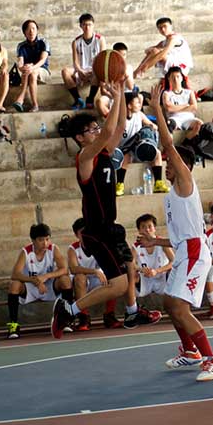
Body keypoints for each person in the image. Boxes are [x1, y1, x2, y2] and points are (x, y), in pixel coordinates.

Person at [51, 81, 161, 339]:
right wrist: (117, 98)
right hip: (97, 230)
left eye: (96, 128)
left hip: (110, 227)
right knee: (119, 284)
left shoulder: (105, 153)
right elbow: (109, 128)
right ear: (80, 138)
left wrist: (120, 97)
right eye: (91, 130)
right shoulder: (85, 158)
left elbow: (118, 127)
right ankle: (69, 308)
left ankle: (133, 311)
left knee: (129, 263)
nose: (97, 131)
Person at [138, 84, 213, 382]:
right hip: (185, 250)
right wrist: (155, 241)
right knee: (169, 304)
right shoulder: (171, 195)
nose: (164, 161)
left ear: (181, 165)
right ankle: (190, 352)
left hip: (194, 253)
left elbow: (167, 142)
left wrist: (157, 109)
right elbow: (178, 237)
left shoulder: (185, 181)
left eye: (169, 158)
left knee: (178, 305)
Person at [6, 223, 72, 339]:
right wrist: (36, 281)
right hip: (30, 287)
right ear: (33, 240)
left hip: (49, 286)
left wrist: (46, 276)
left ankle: (66, 320)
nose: (45, 243)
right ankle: (13, 325)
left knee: (65, 280)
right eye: (41, 240)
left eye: (47, 239)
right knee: (14, 285)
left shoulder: (53, 249)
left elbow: (64, 269)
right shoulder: (26, 252)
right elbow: (15, 274)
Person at [68, 217, 121, 331]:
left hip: (99, 279)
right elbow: (73, 268)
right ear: (77, 235)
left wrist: (101, 272)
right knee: (79, 278)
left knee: (115, 277)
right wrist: (94, 271)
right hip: (84, 281)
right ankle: (84, 317)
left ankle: (109, 315)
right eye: (82, 232)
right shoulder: (73, 248)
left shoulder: (99, 244)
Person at [115, 91, 169, 196]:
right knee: (125, 156)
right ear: (129, 105)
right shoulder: (119, 118)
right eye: (137, 102)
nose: (140, 105)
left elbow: (151, 124)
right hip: (124, 148)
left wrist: (152, 126)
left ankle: (158, 182)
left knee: (157, 153)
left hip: (137, 147)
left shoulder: (139, 114)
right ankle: (120, 184)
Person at [127, 214, 175, 320]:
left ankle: (176, 308)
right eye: (143, 227)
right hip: (145, 278)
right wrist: (141, 269)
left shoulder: (162, 242)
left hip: (162, 276)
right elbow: (132, 265)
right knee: (129, 276)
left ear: (154, 228)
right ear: (139, 230)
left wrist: (157, 271)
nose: (147, 229)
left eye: (150, 226)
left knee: (175, 272)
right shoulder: (136, 246)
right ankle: (132, 311)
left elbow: (173, 261)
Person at [61, 13, 105, 110]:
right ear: (80, 26)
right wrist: (80, 71)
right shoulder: (76, 42)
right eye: (84, 24)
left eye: (89, 24)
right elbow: (75, 62)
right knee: (65, 71)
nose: (87, 27)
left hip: (94, 70)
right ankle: (78, 99)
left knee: (98, 73)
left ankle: (90, 99)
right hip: (81, 69)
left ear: (93, 25)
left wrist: (93, 70)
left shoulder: (100, 40)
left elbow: (102, 60)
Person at [13, 20, 50, 113]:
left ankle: (22, 98)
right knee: (30, 72)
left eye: (33, 29)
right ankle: (34, 105)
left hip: (43, 72)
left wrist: (32, 67)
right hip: (28, 73)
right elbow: (20, 64)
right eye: (28, 29)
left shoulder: (44, 42)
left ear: (37, 30)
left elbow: (42, 60)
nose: (31, 31)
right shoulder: (21, 46)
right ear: (24, 32)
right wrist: (24, 67)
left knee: (32, 72)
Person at [95, 42, 137, 118]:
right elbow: (103, 91)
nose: (122, 58)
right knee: (100, 102)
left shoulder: (128, 67)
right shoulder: (107, 69)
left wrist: (125, 73)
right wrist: (114, 96)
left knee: (139, 98)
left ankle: (127, 119)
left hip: (126, 95)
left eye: (124, 55)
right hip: (111, 95)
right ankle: (112, 119)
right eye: (120, 55)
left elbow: (131, 87)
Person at [163, 66, 203, 137]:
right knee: (169, 124)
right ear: (169, 79)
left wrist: (175, 108)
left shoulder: (189, 92)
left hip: (188, 118)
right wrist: (186, 106)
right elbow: (169, 108)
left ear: (181, 78)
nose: (175, 79)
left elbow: (194, 107)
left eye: (178, 76)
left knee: (200, 124)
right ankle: (170, 146)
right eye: (173, 77)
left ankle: (187, 141)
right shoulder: (167, 93)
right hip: (174, 118)